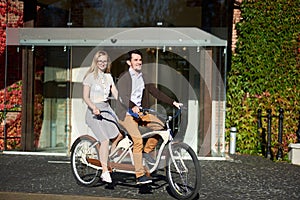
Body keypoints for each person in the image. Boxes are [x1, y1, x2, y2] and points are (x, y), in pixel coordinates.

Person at [116, 49, 182, 184]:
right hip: (126, 114)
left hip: (141, 113)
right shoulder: (124, 77)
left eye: (140, 60)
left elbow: (155, 92)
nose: (139, 62)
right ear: (129, 62)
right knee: (138, 140)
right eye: (135, 60)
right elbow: (122, 96)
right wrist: (132, 105)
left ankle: (147, 151)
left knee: (161, 127)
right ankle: (140, 175)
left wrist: (173, 102)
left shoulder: (143, 77)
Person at [83, 50, 123, 183]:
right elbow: (85, 97)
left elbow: (116, 93)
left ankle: (107, 156)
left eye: (104, 61)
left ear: (107, 62)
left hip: (106, 109)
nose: (102, 63)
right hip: (94, 111)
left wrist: (125, 104)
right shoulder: (90, 77)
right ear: (96, 62)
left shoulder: (108, 77)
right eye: (100, 61)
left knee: (120, 134)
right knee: (105, 140)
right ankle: (105, 171)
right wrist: (93, 107)